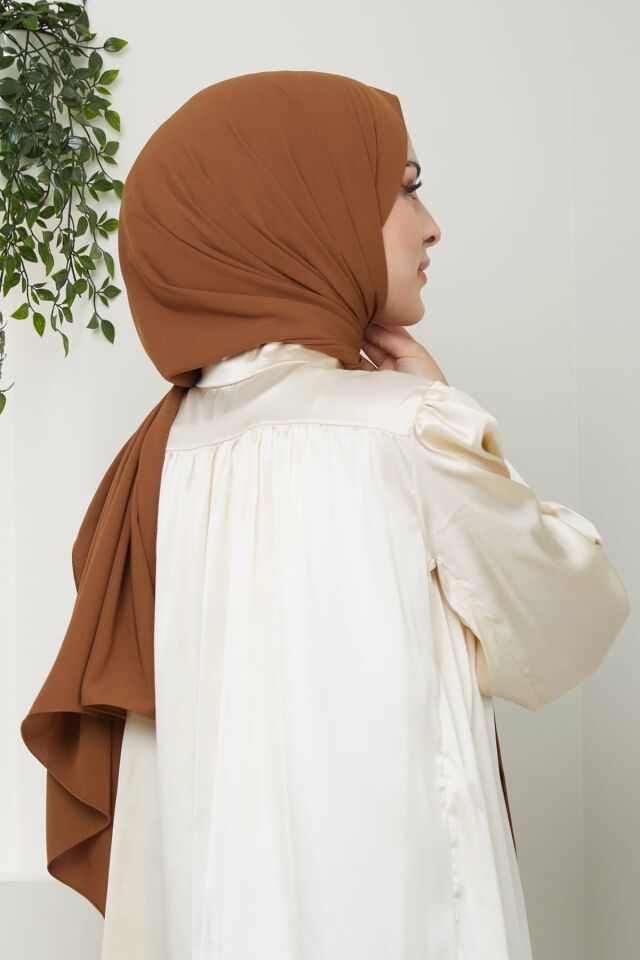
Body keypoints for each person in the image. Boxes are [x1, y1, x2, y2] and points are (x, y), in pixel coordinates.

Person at [21, 72, 629, 960]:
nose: (431, 224)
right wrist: (446, 406)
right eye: (406, 187)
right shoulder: (407, 430)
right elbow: (570, 613)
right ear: (304, 207)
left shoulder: (153, 465)